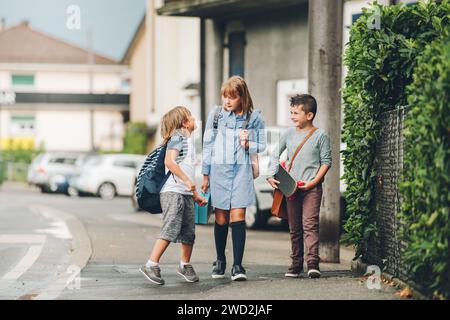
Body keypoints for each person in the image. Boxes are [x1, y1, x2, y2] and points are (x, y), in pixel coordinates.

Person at [201, 76, 266, 281]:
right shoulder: (216, 115)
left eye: (232, 97)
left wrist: (249, 144)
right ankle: (220, 260)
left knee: (238, 217)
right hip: (219, 172)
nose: (227, 101)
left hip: (241, 172)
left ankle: (238, 266)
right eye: (225, 97)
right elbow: (208, 145)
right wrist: (205, 174)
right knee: (221, 218)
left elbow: (262, 145)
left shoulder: (254, 118)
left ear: (242, 97)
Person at [140, 106, 207, 285]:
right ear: (184, 122)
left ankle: (185, 265)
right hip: (172, 192)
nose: (194, 119)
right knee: (171, 227)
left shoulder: (187, 141)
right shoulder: (178, 137)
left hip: (184, 193)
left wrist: (195, 193)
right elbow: (169, 162)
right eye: (191, 116)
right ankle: (151, 264)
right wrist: (187, 181)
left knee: (188, 232)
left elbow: (186, 170)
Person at [267, 94, 331, 279]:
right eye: (291, 112)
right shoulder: (288, 133)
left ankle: (313, 263)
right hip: (291, 189)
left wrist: (314, 181)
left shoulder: (321, 135)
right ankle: (296, 264)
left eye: (296, 113)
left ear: (309, 115)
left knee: (310, 225)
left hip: (311, 188)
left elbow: (326, 162)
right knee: (294, 227)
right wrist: (271, 175)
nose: (292, 116)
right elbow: (274, 155)